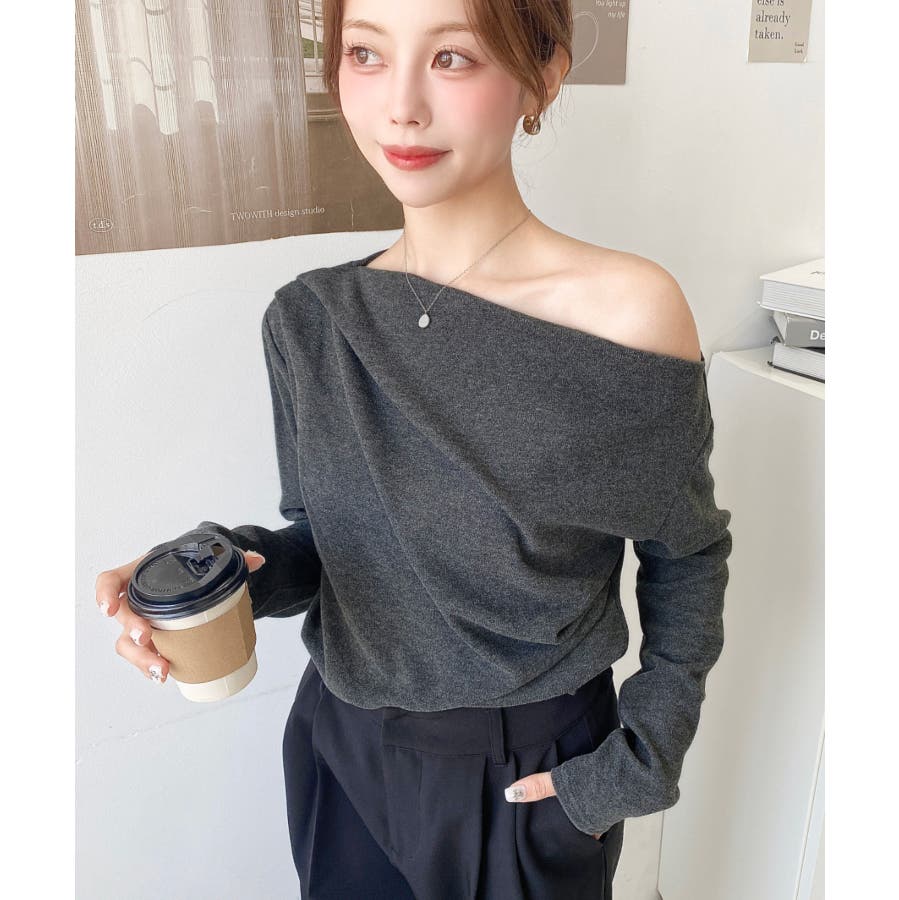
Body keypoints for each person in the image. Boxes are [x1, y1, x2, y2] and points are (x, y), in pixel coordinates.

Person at [95, 1, 733, 898]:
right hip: (341, 747)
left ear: (543, 75)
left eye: (453, 58)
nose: (400, 106)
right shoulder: (308, 320)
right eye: (365, 54)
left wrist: (637, 764)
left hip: (526, 776)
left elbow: (687, 553)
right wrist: (219, 574)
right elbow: (329, 547)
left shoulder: (628, 314)